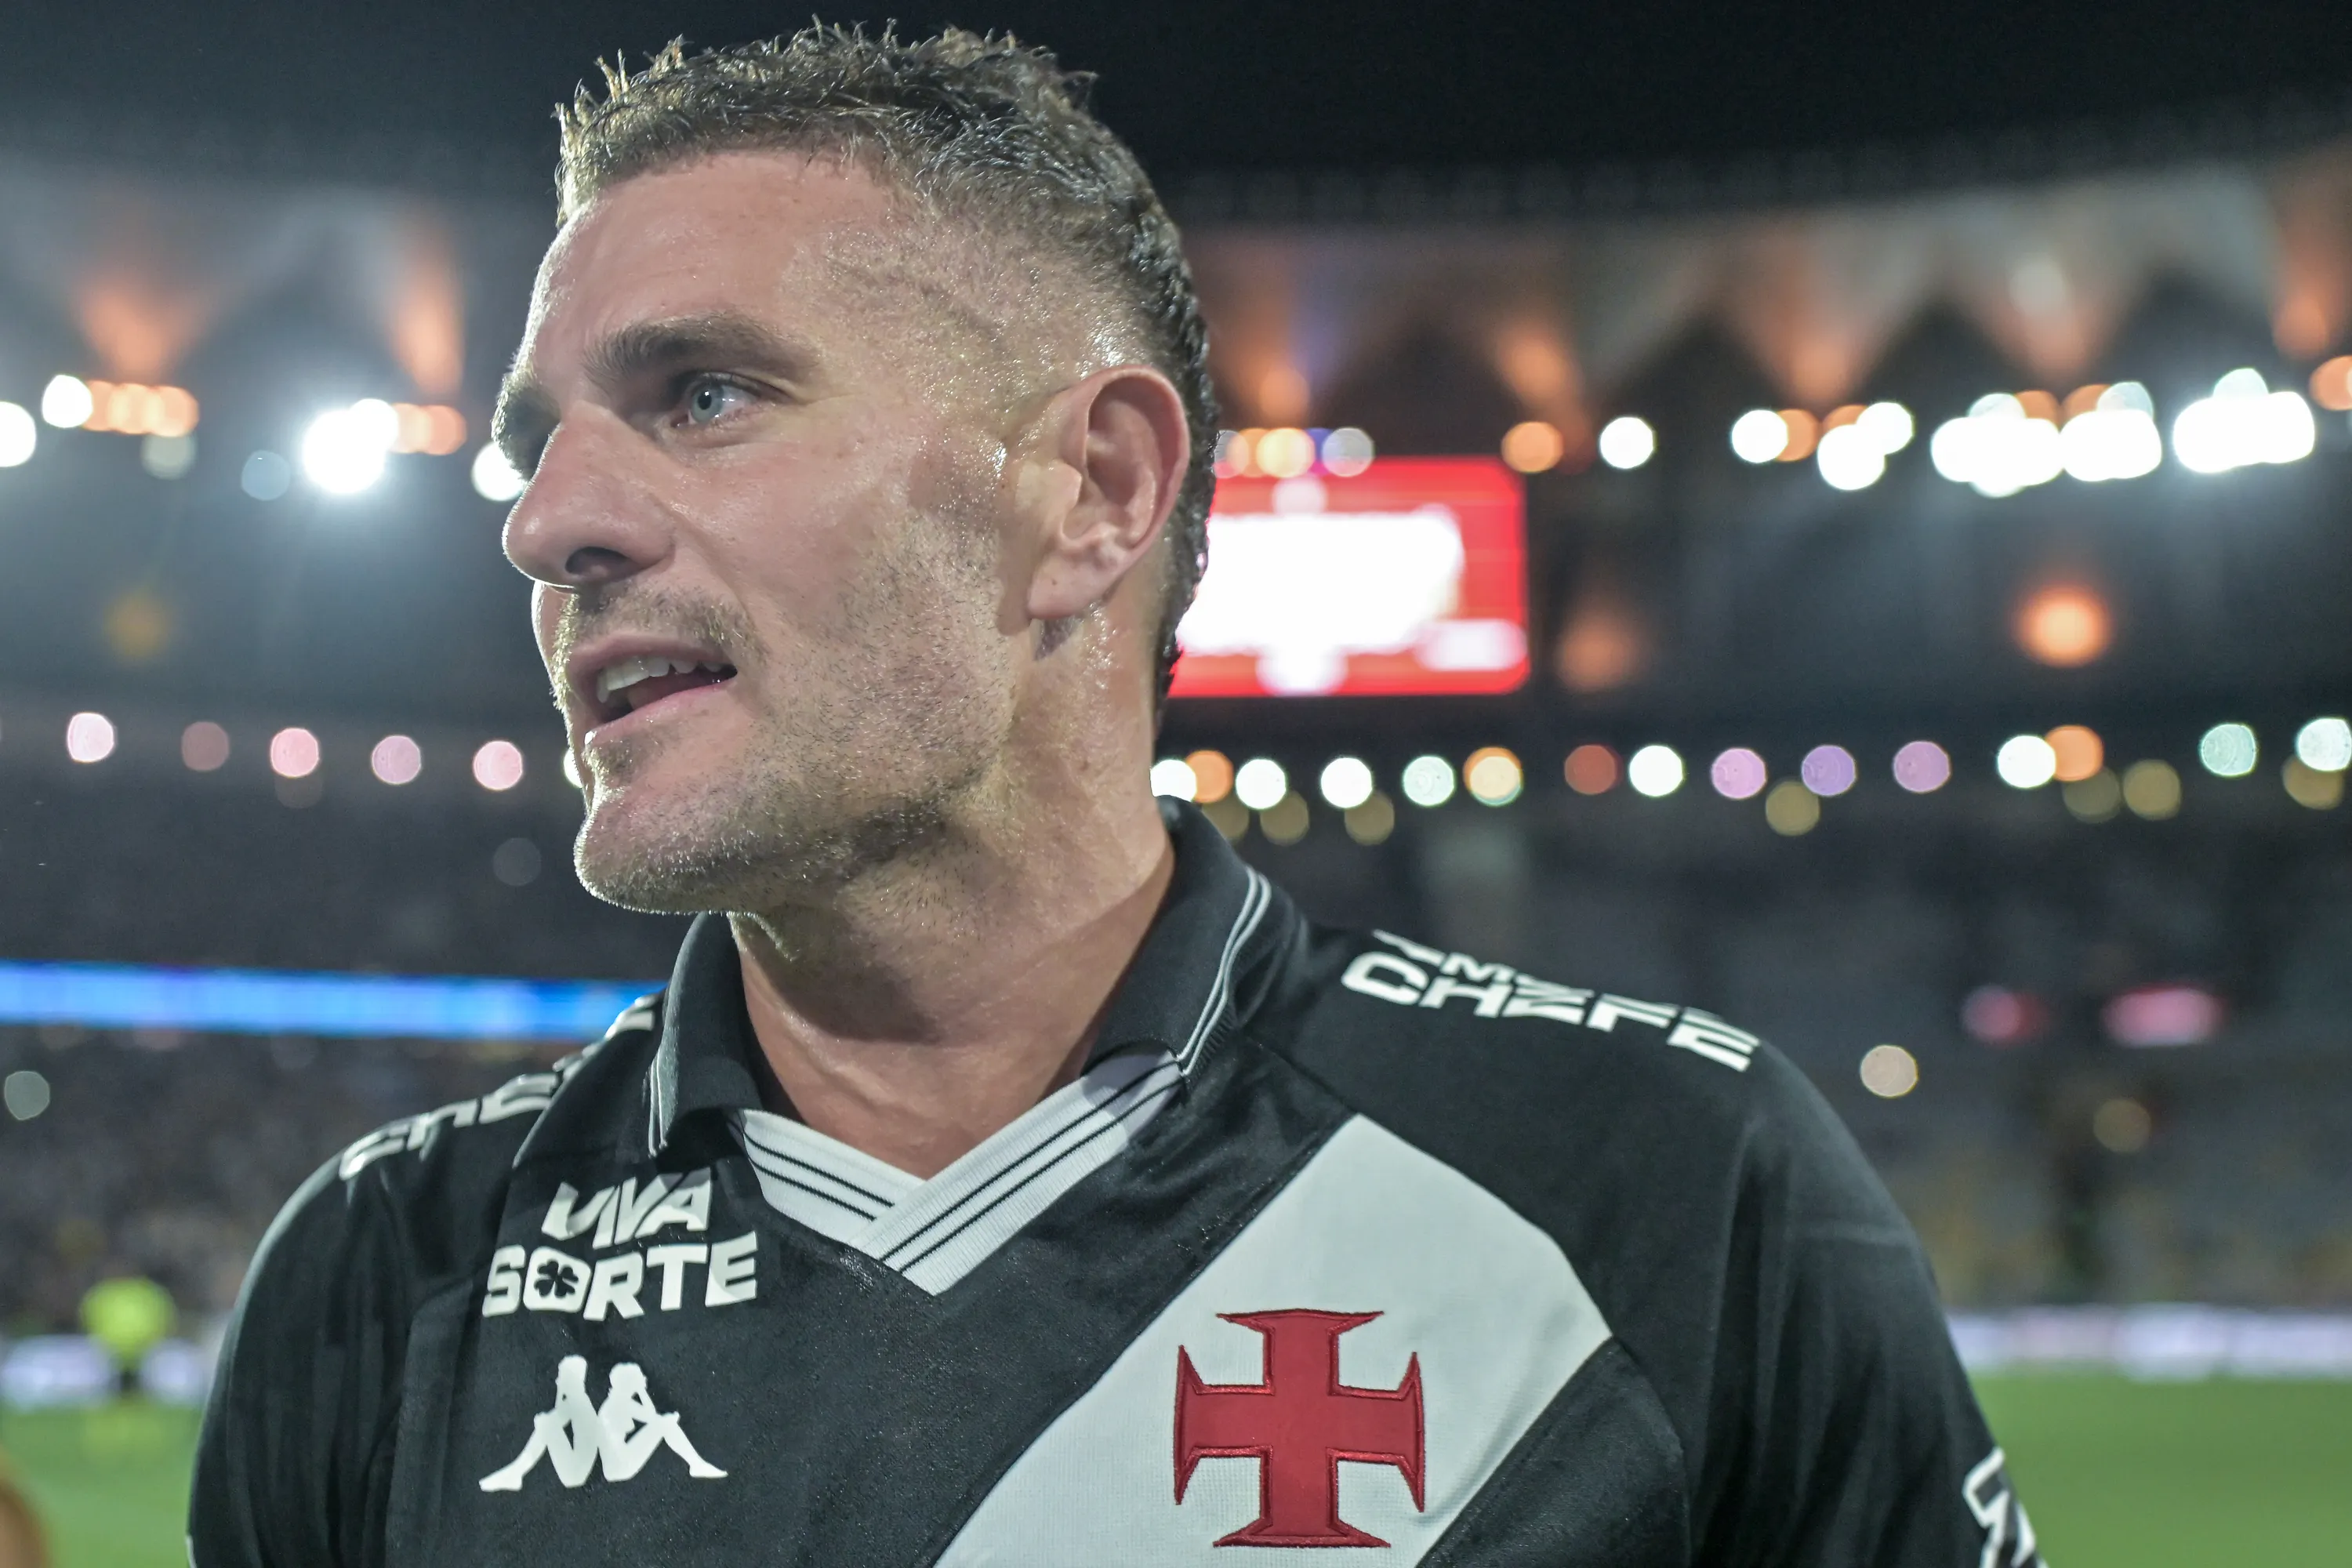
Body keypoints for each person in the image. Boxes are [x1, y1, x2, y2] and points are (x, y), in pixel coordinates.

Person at [191, 25, 2040, 1566]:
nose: (547, 522)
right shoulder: (386, 1278)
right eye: (537, 445)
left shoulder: (1665, 1185)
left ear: (1093, 493)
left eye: (703, 395)